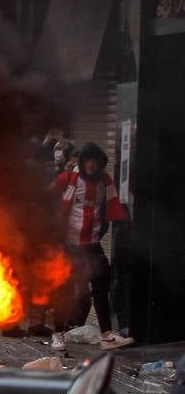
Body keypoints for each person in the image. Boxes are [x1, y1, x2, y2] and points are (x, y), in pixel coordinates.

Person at [51, 142, 132, 351]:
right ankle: (57, 333)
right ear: (83, 161)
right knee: (65, 289)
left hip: (93, 246)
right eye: (89, 160)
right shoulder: (69, 179)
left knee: (101, 287)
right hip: (69, 246)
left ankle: (106, 334)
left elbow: (111, 209)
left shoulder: (105, 183)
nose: (92, 165)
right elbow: (46, 197)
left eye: (96, 161)